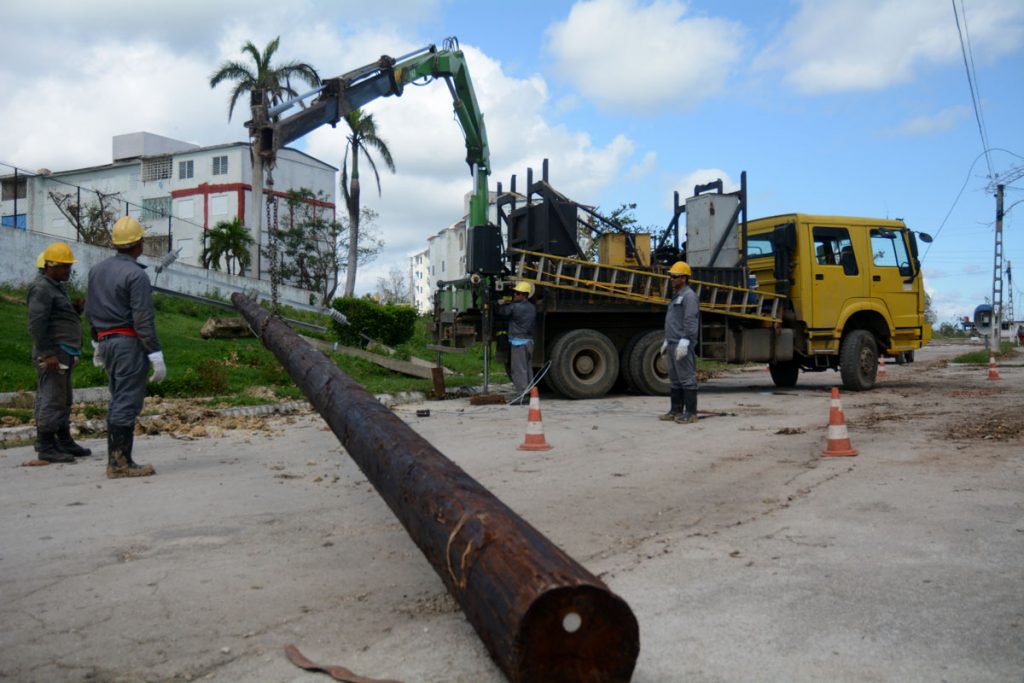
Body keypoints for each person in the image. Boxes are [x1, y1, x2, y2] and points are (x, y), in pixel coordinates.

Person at [85, 216, 165, 478]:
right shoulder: (136, 275)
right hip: (128, 343)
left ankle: (119, 460)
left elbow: (90, 309)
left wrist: (96, 341)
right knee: (127, 401)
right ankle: (119, 463)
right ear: (139, 244)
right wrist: (155, 353)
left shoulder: (97, 271)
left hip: (107, 342)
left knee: (118, 398)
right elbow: (143, 318)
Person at [27, 242, 92, 463]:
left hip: (64, 352)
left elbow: (56, 316)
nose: (68, 270)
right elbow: (37, 324)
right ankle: (46, 444)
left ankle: (63, 440)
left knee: (64, 399)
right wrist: (47, 354)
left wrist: (74, 309)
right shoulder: (41, 289)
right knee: (52, 398)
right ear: (51, 266)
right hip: (53, 354)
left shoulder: (55, 287)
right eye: (64, 267)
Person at [661, 261, 700, 423]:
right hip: (672, 342)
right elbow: (674, 321)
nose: (671, 279)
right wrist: (666, 340)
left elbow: (690, 320)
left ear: (683, 278)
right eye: (671, 276)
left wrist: (686, 340)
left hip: (682, 342)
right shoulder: (677, 296)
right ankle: (675, 410)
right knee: (675, 378)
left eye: (674, 276)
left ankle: (691, 413)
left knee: (686, 378)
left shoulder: (689, 296)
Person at [497, 281, 536, 405]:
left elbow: (502, 312)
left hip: (518, 342)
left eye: (517, 293)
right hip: (529, 342)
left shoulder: (515, 307)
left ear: (524, 295)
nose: (515, 295)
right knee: (527, 369)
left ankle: (522, 395)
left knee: (518, 370)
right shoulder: (532, 307)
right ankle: (529, 393)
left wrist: (500, 303)